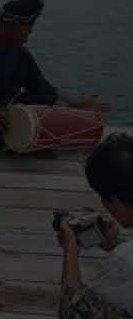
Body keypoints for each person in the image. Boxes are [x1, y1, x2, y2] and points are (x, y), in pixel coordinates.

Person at [0, 0, 109, 139]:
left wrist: (77, 105)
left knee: (41, 98)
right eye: (24, 34)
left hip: (7, 121)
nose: (26, 39)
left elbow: (44, 89)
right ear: (7, 28)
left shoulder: (21, 54)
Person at [57, 133, 133, 318]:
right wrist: (114, 244)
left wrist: (70, 253)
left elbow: (72, 313)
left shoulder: (124, 262)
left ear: (114, 200)